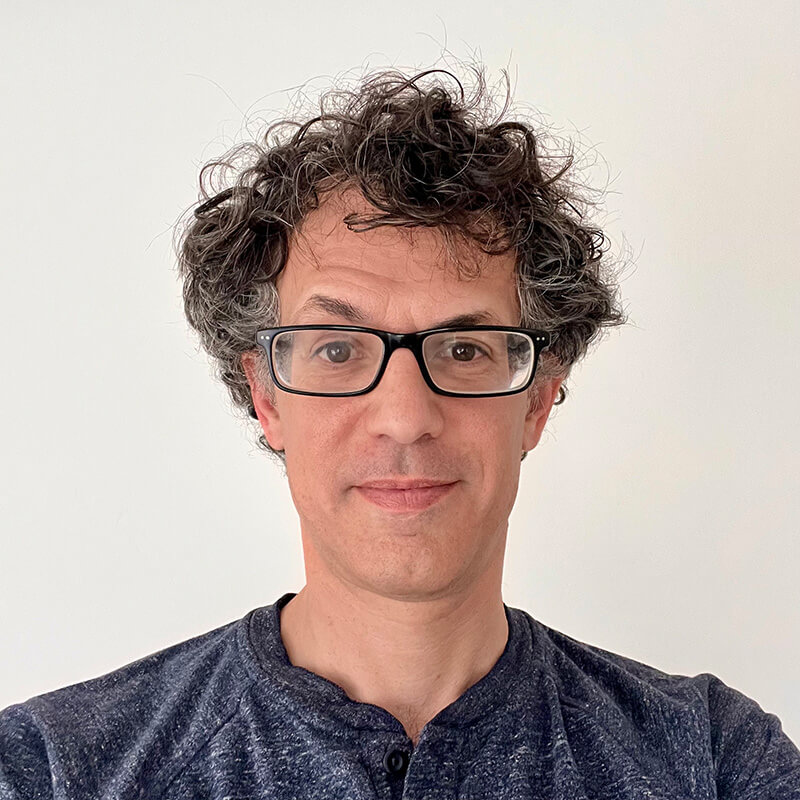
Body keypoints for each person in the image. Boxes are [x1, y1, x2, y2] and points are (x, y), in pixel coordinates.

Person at [1, 65, 798, 800]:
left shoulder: (710, 761)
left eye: (463, 349)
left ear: (539, 399)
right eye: (339, 349)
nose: (407, 417)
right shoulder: (54, 771)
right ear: (266, 395)